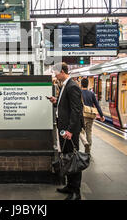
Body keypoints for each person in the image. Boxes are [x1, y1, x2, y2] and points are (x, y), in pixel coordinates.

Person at [48, 62, 83, 200]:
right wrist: (56, 101)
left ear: (62, 71)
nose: (54, 75)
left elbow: (76, 110)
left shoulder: (72, 86)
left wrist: (70, 130)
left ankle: (76, 192)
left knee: (73, 158)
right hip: (64, 129)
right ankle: (69, 186)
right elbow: (67, 105)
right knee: (67, 158)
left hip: (69, 132)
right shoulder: (65, 85)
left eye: (55, 72)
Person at [81, 78, 105, 154]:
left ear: (81, 84)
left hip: (82, 115)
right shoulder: (92, 94)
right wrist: (101, 115)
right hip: (90, 115)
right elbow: (97, 105)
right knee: (89, 132)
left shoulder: (79, 93)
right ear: (87, 85)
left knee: (80, 131)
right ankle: (89, 150)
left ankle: (85, 143)